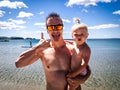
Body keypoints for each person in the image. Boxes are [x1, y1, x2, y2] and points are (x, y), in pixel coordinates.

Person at [15, 13, 91, 90]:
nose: (55, 30)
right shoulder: (42, 50)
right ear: (47, 30)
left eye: (58, 26)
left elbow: (86, 68)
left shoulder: (74, 47)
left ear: (62, 28)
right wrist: (37, 47)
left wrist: (83, 78)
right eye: (51, 27)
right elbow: (18, 63)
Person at [67, 19, 91, 90]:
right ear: (72, 36)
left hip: (80, 72)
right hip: (75, 70)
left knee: (71, 86)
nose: (79, 36)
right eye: (76, 34)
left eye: (82, 34)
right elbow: (70, 42)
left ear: (87, 35)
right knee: (76, 87)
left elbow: (84, 64)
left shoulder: (85, 49)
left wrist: (74, 73)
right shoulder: (75, 43)